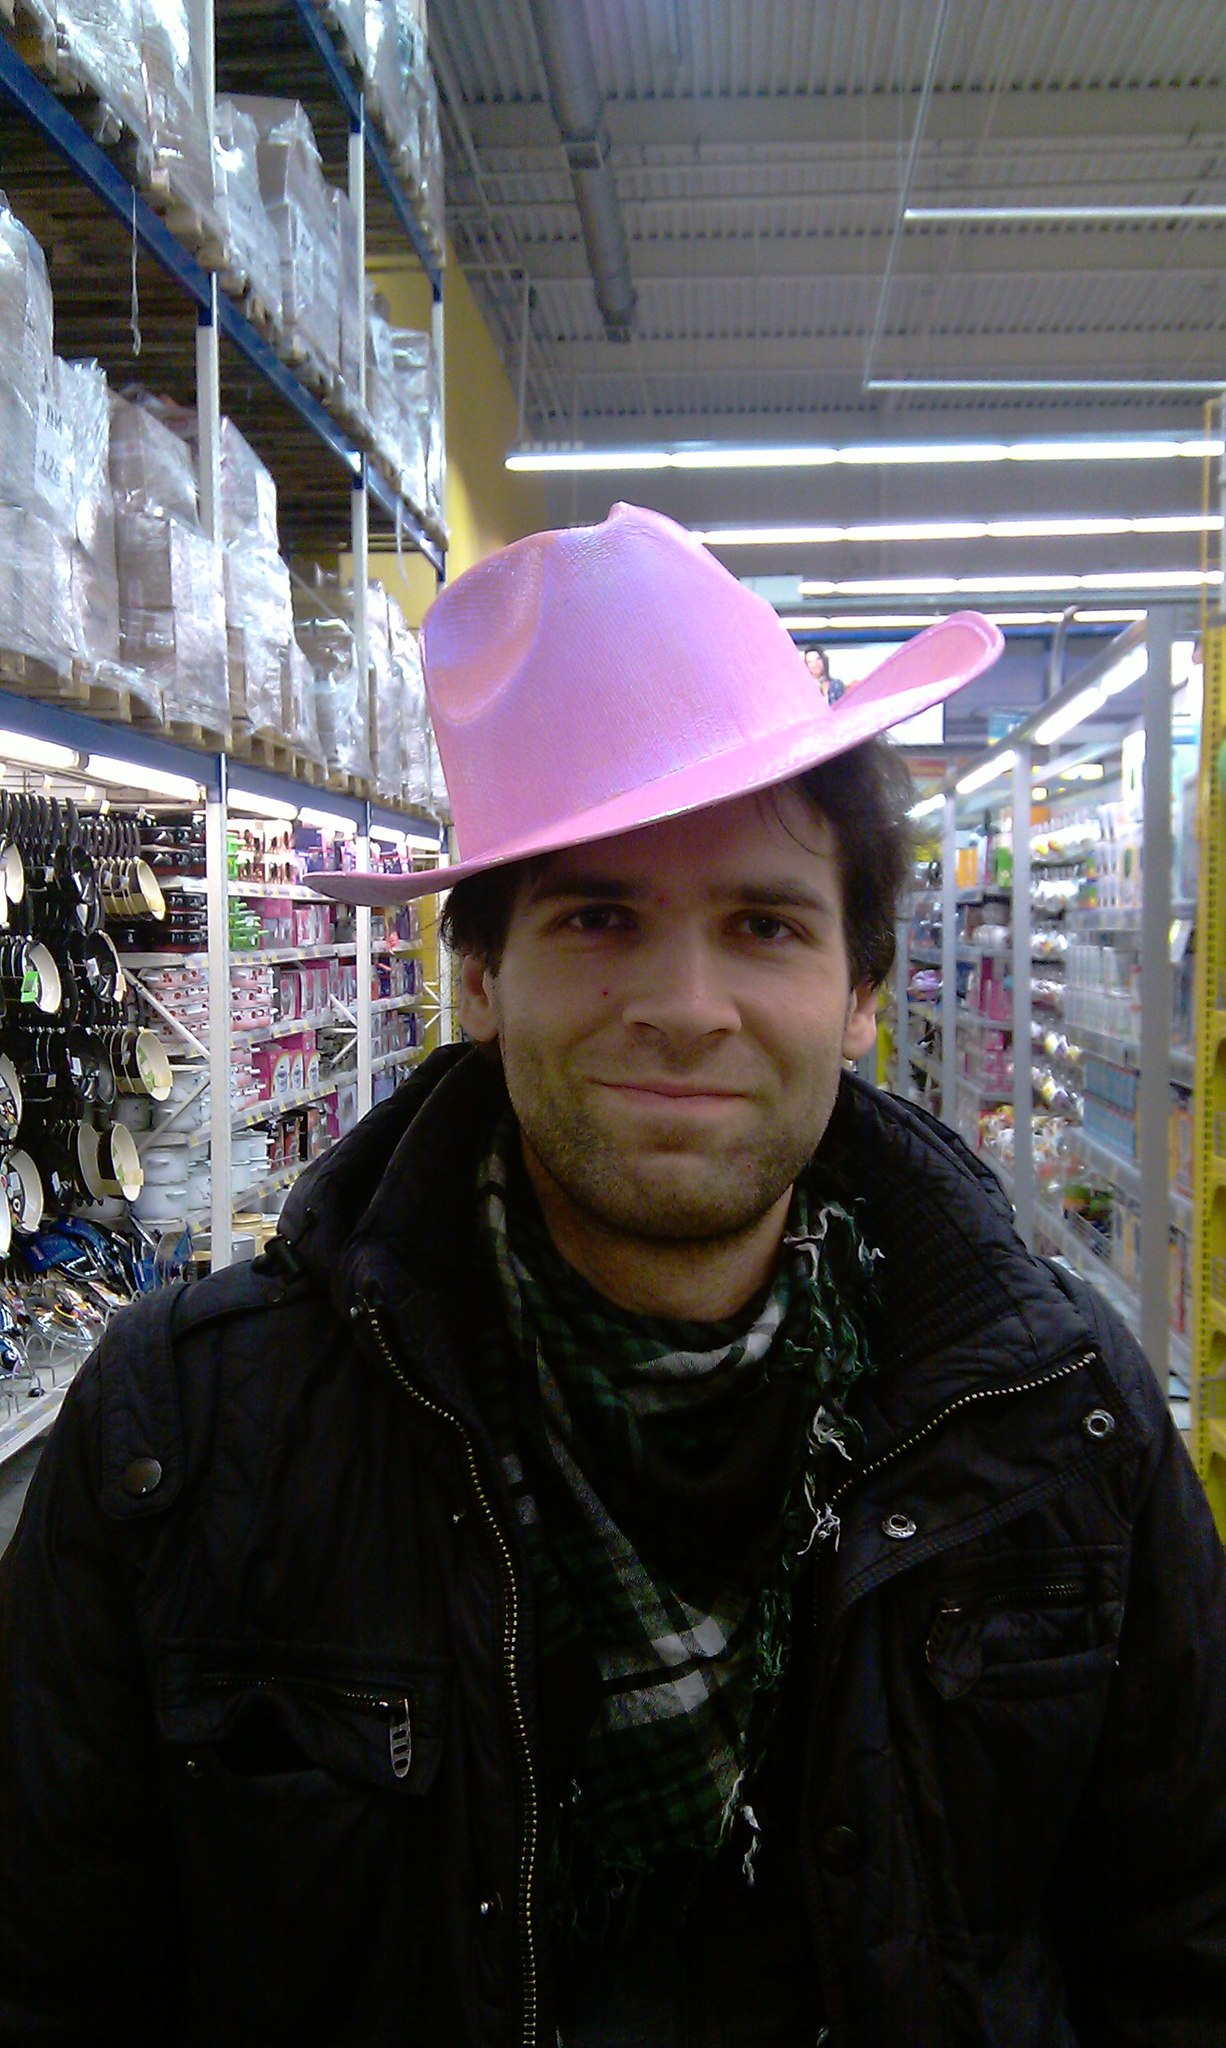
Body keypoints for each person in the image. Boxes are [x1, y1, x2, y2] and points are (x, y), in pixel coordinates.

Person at [0, 503, 1223, 2047]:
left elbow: (1179, 1951)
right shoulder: (185, 1439)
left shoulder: (1061, 1423)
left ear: (857, 990)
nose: (685, 1005)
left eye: (762, 924)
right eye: (598, 916)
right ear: (479, 977)